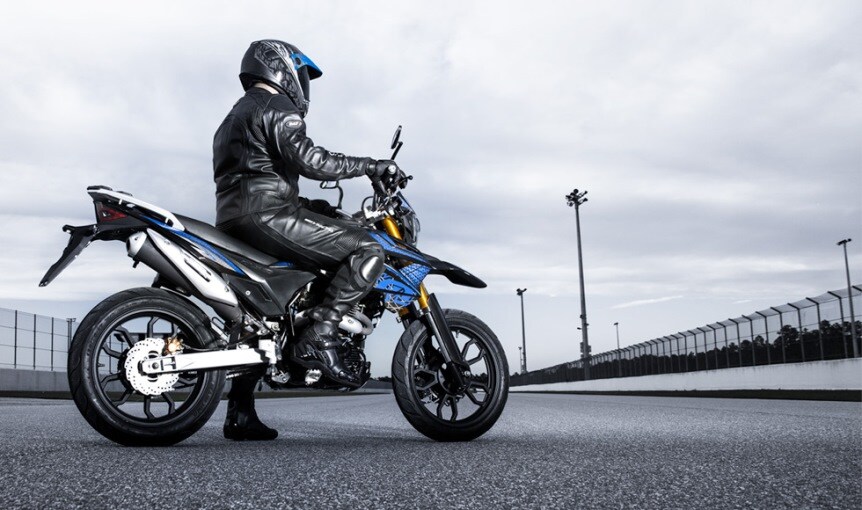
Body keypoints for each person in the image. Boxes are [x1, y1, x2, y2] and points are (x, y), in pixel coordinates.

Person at [213, 39, 402, 441]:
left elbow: (259, 176)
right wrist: (370, 166)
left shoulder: (235, 115)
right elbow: (312, 160)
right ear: (280, 68)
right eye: (301, 75)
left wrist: (318, 208)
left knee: (261, 319)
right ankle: (321, 333)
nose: (303, 85)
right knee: (368, 248)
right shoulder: (275, 105)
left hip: (235, 220)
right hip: (267, 217)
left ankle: (240, 414)